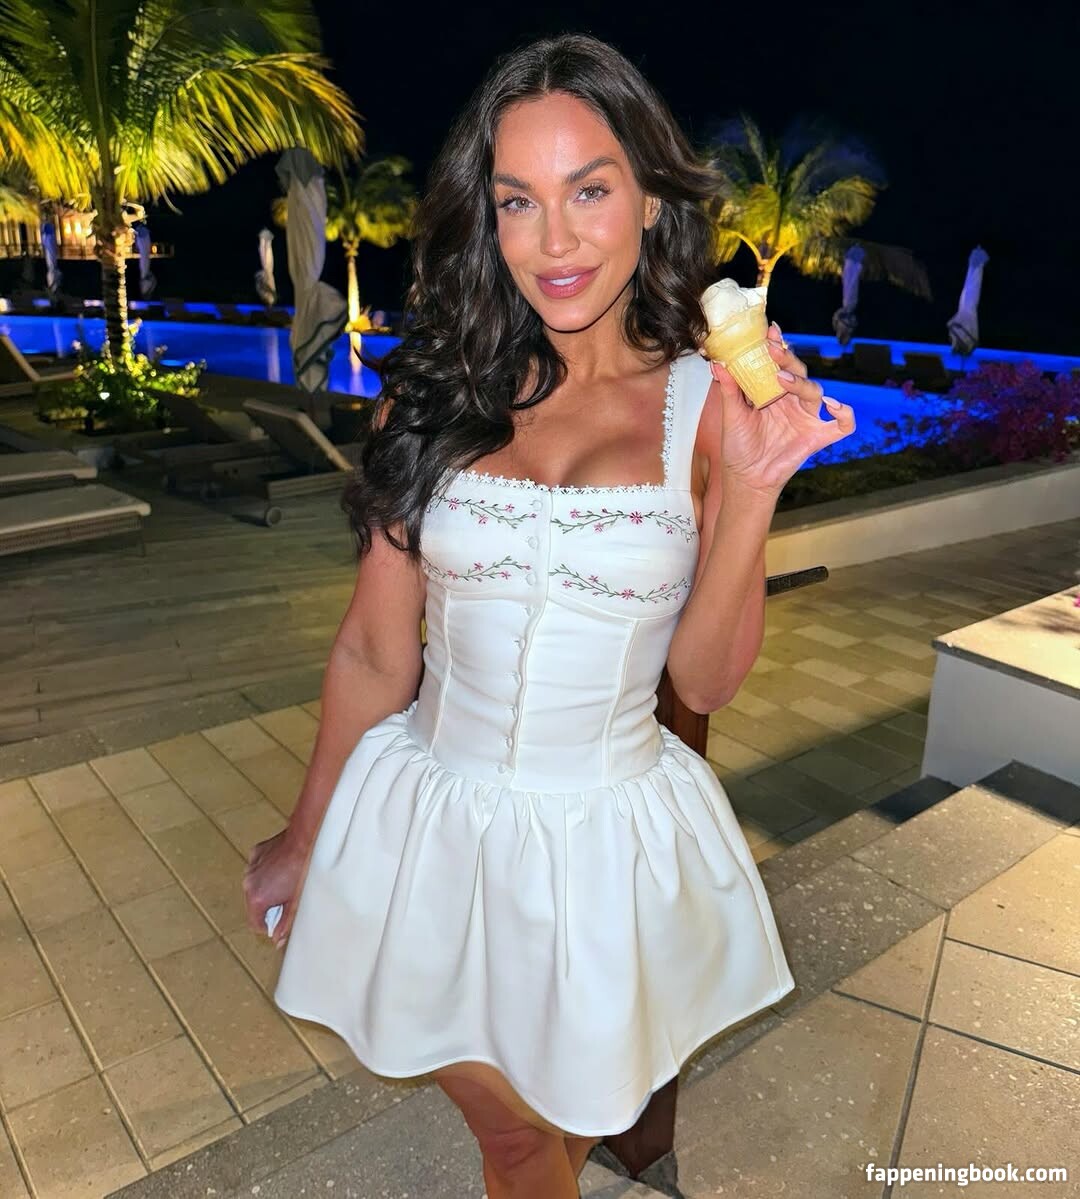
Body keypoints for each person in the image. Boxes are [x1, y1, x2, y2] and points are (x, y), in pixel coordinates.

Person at [243, 31, 855, 1199]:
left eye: (589, 190)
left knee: (552, 1125)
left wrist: (754, 487)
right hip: (428, 825)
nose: (555, 240)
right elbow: (374, 647)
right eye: (518, 200)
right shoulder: (436, 391)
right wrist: (308, 829)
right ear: (488, 218)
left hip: (603, 848)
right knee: (516, 1130)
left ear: (650, 200)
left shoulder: (707, 402)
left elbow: (706, 682)